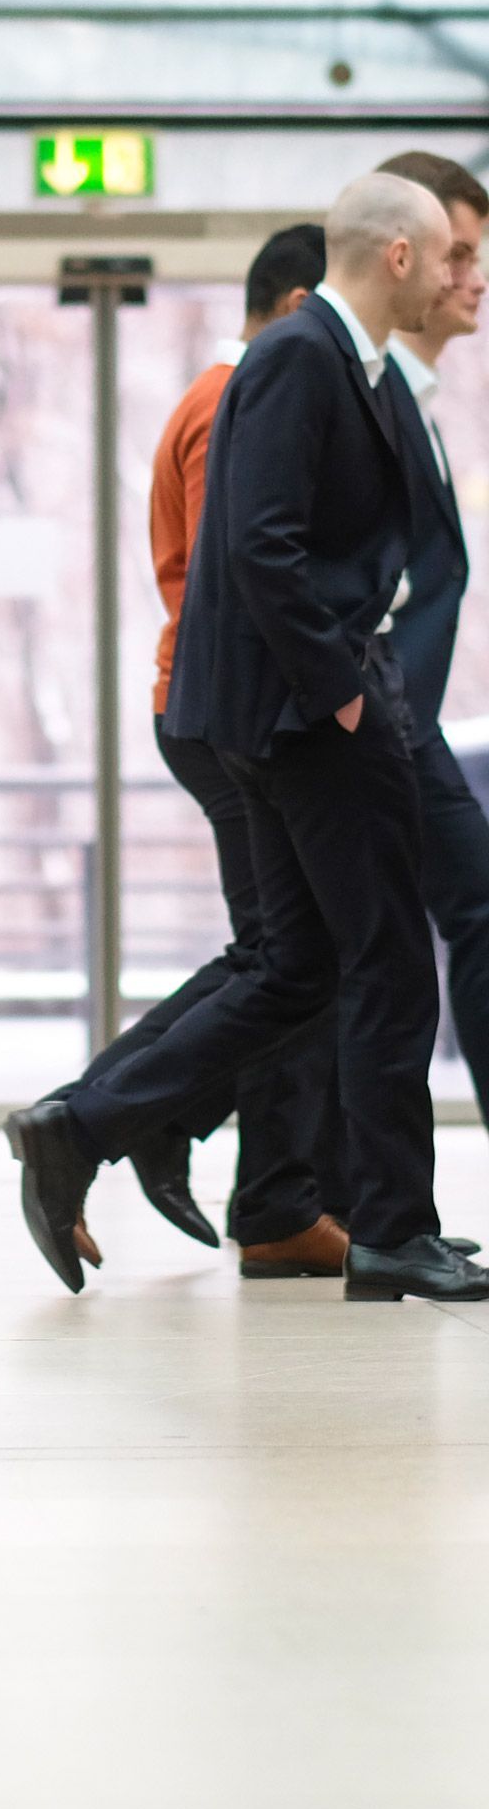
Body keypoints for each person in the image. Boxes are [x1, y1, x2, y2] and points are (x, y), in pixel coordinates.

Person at [7, 171, 489, 1304]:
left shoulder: (341, 364)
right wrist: (344, 692)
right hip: (303, 715)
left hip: (293, 711)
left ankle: (85, 1126)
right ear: (402, 257)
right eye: (454, 254)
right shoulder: (297, 357)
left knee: (302, 966)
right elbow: (260, 547)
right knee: (380, 965)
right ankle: (389, 1228)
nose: (468, 278)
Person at [49, 224, 347, 1281]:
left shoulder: (227, 392)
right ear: (306, 298)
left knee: (291, 954)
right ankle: (148, 1132)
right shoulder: (241, 399)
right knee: (291, 958)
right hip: (241, 711)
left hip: (226, 706)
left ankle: (183, 1131)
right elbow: (252, 571)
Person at [376, 152, 489, 1117]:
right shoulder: (367, 390)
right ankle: (111, 1114)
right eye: (458, 255)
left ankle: (119, 1115)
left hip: (395, 711)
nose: (476, 277)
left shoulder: (417, 398)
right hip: (379, 711)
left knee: (324, 951)